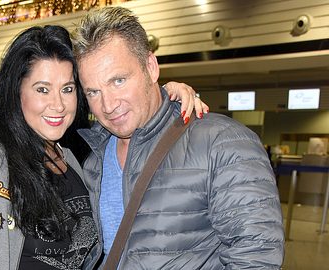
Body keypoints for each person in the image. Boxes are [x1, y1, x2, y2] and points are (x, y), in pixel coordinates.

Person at [0, 25, 206, 269]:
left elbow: (130, 112)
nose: (58, 104)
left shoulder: (74, 159)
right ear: (17, 92)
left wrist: (166, 94)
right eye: (42, 89)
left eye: (67, 89)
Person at [72, 6, 284, 269]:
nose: (108, 104)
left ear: (150, 67)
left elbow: (256, 256)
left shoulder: (223, 143)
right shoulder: (94, 158)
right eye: (93, 92)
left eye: (118, 81)